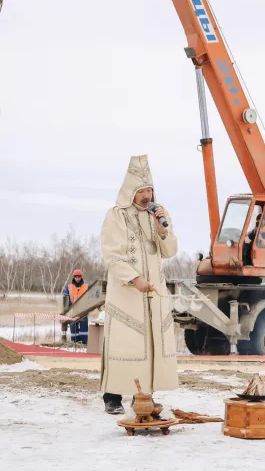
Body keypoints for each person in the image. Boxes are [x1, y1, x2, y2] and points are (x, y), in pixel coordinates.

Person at [99, 154, 179, 415]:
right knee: (125, 343)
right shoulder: (117, 215)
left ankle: (143, 396)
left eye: (149, 190)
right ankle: (112, 397)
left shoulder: (159, 213)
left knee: (151, 344)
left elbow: (169, 251)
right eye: (141, 191)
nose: (146, 195)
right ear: (130, 192)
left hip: (153, 292)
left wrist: (162, 230)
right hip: (127, 293)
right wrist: (135, 279)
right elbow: (113, 255)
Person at [62, 269, 89, 344]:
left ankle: (84, 342)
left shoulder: (86, 286)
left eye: (79, 276)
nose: (77, 278)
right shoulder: (69, 287)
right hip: (73, 310)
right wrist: (67, 309)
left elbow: (90, 298)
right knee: (73, 326)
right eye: (76, 277)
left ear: (81, 277)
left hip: (83, 310)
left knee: (84, 326)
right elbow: (65, 298)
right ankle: (75, 342)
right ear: (73, 277)